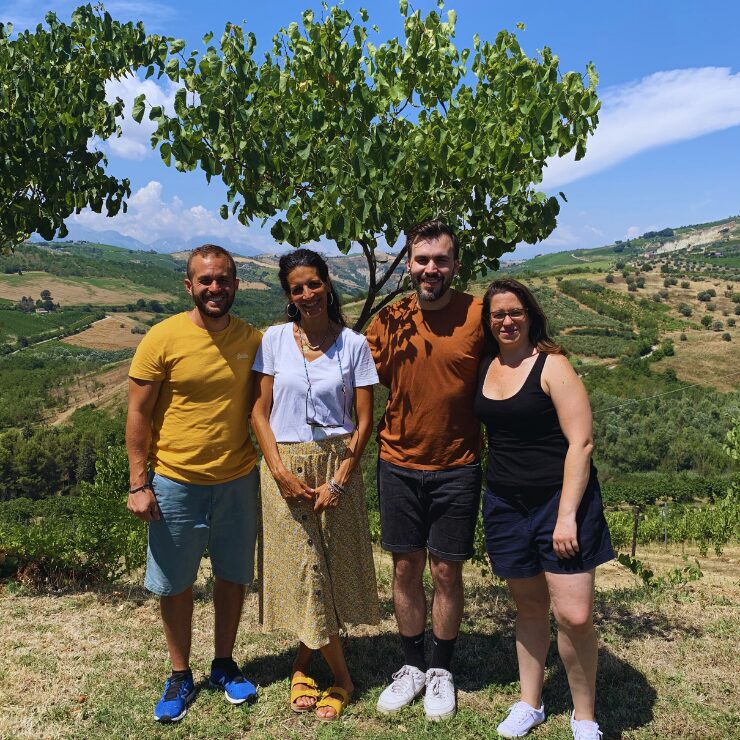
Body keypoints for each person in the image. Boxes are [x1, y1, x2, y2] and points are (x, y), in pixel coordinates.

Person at [126, 244, 262, 723]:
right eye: (205, 280)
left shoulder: (253, 339)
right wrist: (139, 482)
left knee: (233, 575)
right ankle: (180, 674)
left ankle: (224, 663)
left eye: (223, 279)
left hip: (238, 479)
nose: (215, 288)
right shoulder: (161, 338)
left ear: (236, 285)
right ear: (189, 285)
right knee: (176, 583)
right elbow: (138, 413)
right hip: (175, 482)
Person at [474, 278, 614, 740]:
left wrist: (567, 514)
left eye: (515, 312)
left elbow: (582, 441)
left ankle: (585, 715)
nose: (507, 321)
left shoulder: (553, 365)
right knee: (530, 607)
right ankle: (529, 703)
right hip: (504, 505)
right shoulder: (484, 366)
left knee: (573, 616)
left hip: (560, 501)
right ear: (488, 322)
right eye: (498, 314)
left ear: (531, 315)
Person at [251, 248, 380, 722]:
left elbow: (364, 421)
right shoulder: (274, 341)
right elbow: (258, 413)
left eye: (313, 284)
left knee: (327, 570)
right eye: (296, 288)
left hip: (335, 462)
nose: (306, 294)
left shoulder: (354, 345)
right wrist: (280, 471)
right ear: (289, 296)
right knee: (305, 567)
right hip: (285, 465)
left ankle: (305, 664)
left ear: (328, 284)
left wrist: (342, 478)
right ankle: (342, 677)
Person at [365, 220, 484, 721]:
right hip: (397, 461)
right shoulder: (390, 320)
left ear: (455, 264)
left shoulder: (479, 315)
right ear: (409, 264)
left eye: (441, 260)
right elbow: (350, 379)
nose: (430, 269)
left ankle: (441, 670)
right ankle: (411, 666)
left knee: (446, 571)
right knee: (405, 568)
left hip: (458, 465)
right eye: (422, 259)